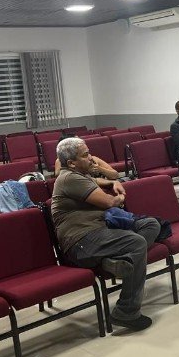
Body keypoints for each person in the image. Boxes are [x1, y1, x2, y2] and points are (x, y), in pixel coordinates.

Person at [51, 137, 159, 331]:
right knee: (136, 243)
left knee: (151, 225)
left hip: (99, 230)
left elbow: (96, 180)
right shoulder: (70, 178)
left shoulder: (79, 174)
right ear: (71, 163)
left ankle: (117, 262)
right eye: (85, 155)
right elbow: (109, 202)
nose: (91, 158)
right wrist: (120, 196)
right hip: (81, 240)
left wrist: (112, 182)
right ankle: (126, 312)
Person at [54, 134, 119, 179]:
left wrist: (99, 168)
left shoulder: (93, 158)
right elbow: (59, 176)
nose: (82, 142)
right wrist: (85, 169)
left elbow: (115, 175)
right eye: (77, 142)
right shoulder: (61, 161)